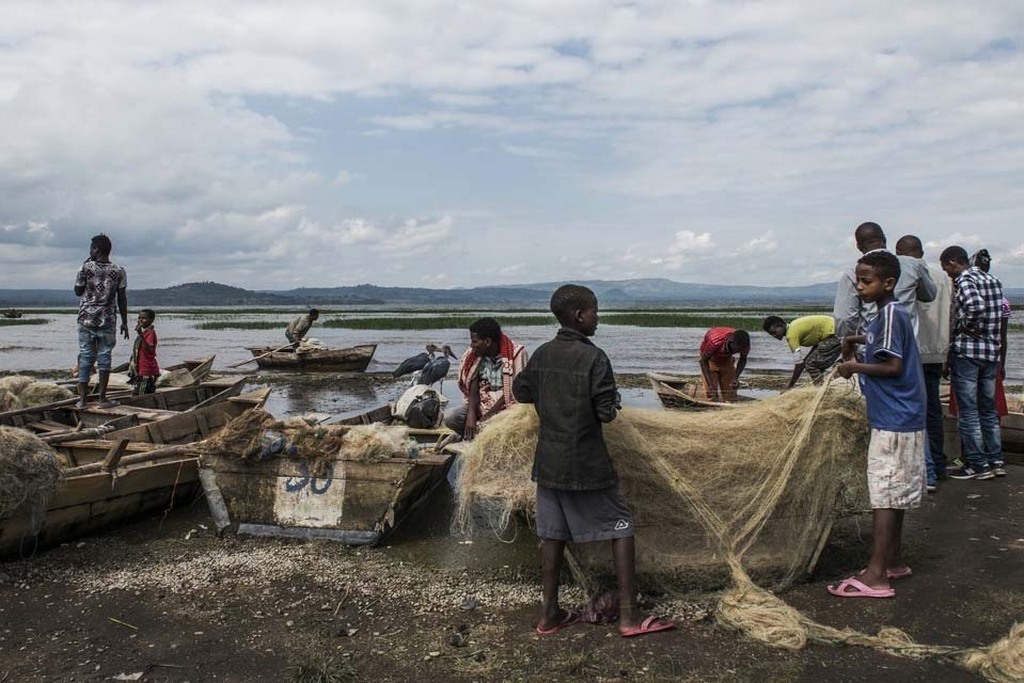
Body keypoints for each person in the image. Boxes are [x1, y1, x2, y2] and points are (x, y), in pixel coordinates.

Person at [513, 284, 674, 637]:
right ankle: (629, 617)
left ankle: (549, 615)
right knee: (621, 527)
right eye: (595, 311)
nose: (598, 318)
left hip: (548, 464)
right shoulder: (594, 358)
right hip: (586, 464)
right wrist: (613, 400)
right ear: (579, 315)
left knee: (553, 535)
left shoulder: (542, 354)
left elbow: (520, 391)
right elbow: (605, 413)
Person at [830, 251, 925, 598]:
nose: (859, 286)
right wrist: (855, 341)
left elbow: (893, 366)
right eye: (858, 280)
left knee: (884, 495)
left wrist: (852, 367)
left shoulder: (889, 315)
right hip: (902, 416)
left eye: (866, 281)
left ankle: (876, 576)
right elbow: (880, 342)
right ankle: (893, 561)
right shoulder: (888, 314)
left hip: (894, 419)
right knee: (895, 491)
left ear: (888, 283)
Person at [941, 246, 1005, 480]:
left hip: (969, 352)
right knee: (988, 410)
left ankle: (978, 464)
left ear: (953, 262)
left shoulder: (965, 279)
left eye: (946, 268)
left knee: (968, 411)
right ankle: (996, 460)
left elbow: (975, 306)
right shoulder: (992, 279)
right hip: (991, 353)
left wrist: (964, 327)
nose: (948, 274)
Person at [895, 235, 951, 491]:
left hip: (914, 351)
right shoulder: (942, 277)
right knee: (933, 411)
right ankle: (938, 465)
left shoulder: (901, 272)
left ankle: (924, 470)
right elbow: (952, 313)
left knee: (913, 412)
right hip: (938, 349)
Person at [833, 222, 936, 340]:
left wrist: (848, 342)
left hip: (872, 344)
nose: (861, 286)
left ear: (858, 246)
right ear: (884, 240)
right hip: (907, 345)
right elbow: (930, 295)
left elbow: (844, 319)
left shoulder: (853, 272)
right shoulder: (912, 265)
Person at [445, 317, 528, 440]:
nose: (471, 345)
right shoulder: (474, 354)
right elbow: (473, 383)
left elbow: (514, 390)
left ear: (488, 342)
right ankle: (473, 437)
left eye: (474, 341)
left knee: (510, 424)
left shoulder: (517, 353)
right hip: (481, 404)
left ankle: (483, 437)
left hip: (506, 406)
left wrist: (489, 415)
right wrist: (471, 415)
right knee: (450, 417)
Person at [74, 233, 129, 408]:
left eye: (91, 249)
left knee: (85, 357)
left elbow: (78, 291)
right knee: (105, 357)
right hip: (108, 319)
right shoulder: (119, 270)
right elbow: (122, 298)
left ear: (96, 250)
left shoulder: (85, 268)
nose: (90, 251)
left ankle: (82, 400)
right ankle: (102, 399)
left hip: (86, 319)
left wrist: (85, 265)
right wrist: (125, 322)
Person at [762, 315, 841, 389]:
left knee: (810, 365)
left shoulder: (791, 335)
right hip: (836, 329)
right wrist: (805, 360)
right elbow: (816, 345)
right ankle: (825, 385)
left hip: (835, 334)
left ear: (780, 325)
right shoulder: (793, 326)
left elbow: (799, 365)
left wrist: (790, 386)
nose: (774, 336)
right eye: (771, 334)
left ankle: (821, 389)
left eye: (774, 332)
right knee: (812, 362)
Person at [698, 327, 750, 401]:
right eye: (737, 350)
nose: (738, 352)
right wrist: (710, 385)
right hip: (710, 360)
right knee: (711, 394)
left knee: (730, 393)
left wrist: (735, 377)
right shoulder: (715, 341)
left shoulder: (745, 345)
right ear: (731, 341)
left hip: (726, 359)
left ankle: (728, 401)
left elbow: (743, 359)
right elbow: (703, 361)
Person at [130, 309, 160, 396]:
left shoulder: (150, 333)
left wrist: (140, 335)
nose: (140, 320)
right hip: (142, 370)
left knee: (140, 395)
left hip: (147, 371)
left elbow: (149, 350)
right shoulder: (145, 332)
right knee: (143, 393)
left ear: (151, 320)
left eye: (144, 318)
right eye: (139, 318)